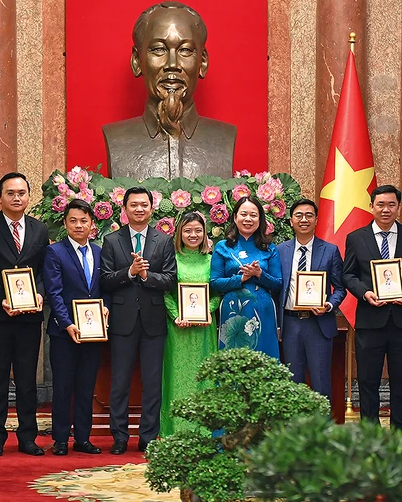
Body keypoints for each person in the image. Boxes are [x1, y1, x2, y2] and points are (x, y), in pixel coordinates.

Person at [102, 1, 236, 180]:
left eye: (185, 50)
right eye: (159, 49)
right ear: (136, 60)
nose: (172, 64)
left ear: (202, 62)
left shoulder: (224, 137)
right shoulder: (116, 138)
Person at [0, 172, 49, 457]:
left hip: (29, 316)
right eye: (11, 193)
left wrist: (40, 293)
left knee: (28, 380)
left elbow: (43, 272)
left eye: (22, 193)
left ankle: (28, 437)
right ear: (0, 196)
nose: (17, 198)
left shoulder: (40, 230)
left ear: (29, 196)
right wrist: (2, 298)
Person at [342, 185, 402, 432]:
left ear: (399, 207)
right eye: (380, 204)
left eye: (391, 204)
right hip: (370, 321)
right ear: (371, 207)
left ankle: (400, 428)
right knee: (368, 380)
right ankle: (370, 430)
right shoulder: (356, 238)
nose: (386, 209)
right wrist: (364, 293)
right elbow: (348, 275)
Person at [100, 187, 177, 454]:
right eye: (134, 205)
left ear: (152, 208)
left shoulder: (164, 240)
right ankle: (119, 436)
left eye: (144, 205)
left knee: (152, 382)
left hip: (154, 322)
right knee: (119, 382)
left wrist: (146, 276)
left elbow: (170, 279)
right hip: (122, 321)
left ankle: (147, 436)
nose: (139, 209)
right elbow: (105, 280)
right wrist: (129, 272)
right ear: (125, 209)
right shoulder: (111, 241)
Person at [43, 199, 107, 456]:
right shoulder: (55, 252)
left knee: (86, 386)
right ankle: (60, 439)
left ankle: (83, 437)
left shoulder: (101, 252)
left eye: (84, 220)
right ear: (65, 223)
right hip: (63, 333)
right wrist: (67, 323)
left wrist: (107, 307)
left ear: (92, 224)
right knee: (62, 386)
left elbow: (106, 288)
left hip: (93, 331)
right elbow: (54, 292)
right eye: (73, 220)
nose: (79, 225)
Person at [276, 199, 345, 400]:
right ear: (291, 221)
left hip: (319, 324)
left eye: (309, 215)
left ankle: (321, 430)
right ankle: (294, 430)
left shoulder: (330, 250)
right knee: (292, 382)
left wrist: (329, 304)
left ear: (316, 220)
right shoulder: (280, 250)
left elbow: (340, 288)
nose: (304, 219)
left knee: (321, 382)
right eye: (299, 215)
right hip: (290, 323)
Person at [160, 212, 220, 437]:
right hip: (177, 330)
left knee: (204, 377)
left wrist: (208, 311)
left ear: (204, 234)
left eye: (198, 230)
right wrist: (176, 314)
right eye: (187, 230)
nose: (193, 235)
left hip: (204, 330)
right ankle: (175, 430)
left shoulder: (211, 259)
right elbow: (165, 292)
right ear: (179, 233)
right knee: (177, 376)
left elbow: (217, 293)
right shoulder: (171, 259)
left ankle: (205, 430)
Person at [211, 196, 282, 359]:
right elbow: (214, 282)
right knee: (233, 360)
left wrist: (259, 274)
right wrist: (240, 279)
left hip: (263, 312)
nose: (248, 219)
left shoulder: (269, 248)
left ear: (260, 219)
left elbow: (278, 284)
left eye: (253, 215)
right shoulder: (223, 246)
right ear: (235, 217)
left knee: (264, 358)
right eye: (244, 214)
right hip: (232, 312)